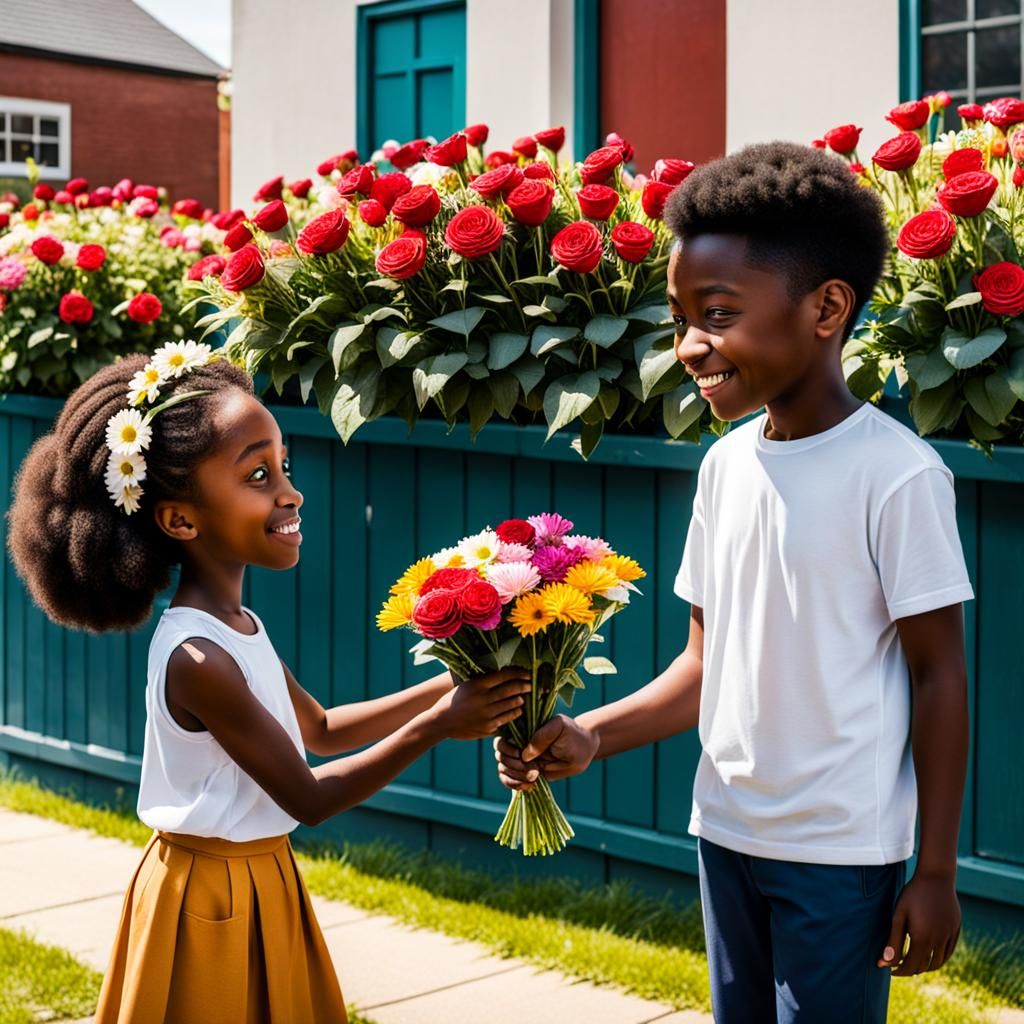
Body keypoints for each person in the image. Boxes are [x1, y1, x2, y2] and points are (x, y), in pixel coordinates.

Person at [495, 142, 974, 1023]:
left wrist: (936, 870)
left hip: (840, 853)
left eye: (716, 314)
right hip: (724, 833)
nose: (688, 346)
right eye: (679, 318)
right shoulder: (723, 469)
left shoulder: (898, 477)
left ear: (827, 307)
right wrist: (590, 733)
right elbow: (702, 667)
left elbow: (941, 677)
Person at [8, 343, 529, 1024]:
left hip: (263, 877)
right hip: (206, 899)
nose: (290, 491)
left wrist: (454, 679)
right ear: (180, 519)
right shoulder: (199, 659)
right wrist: (440, 725)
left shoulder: (239, 624)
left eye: (284, 465)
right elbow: (309, 795)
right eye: (257, 474)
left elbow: (321, 729)